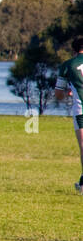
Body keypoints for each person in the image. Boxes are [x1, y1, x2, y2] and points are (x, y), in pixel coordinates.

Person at [53, 35, 83, 193]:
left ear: (74, 50)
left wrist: (68, 94)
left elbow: (58, 93)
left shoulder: (68, 65)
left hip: (80, 111)